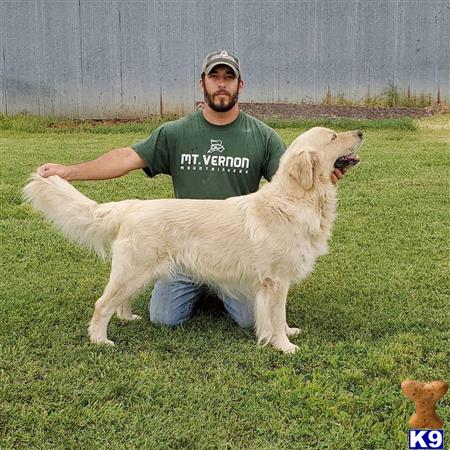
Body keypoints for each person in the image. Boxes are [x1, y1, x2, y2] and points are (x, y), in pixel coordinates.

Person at [38, 49, 346, 329]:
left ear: (240, 85)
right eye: (215, 76)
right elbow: (124, 158)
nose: (222, 84)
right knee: (163, 318)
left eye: (229, 77)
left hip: (237, 253)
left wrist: (323, 174)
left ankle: (222, 291)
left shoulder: (262, 136)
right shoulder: (177, 131)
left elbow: (294, 177)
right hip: (182, 243)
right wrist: (70, 172)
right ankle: (176, 294)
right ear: (203, 85)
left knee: (249, 319)